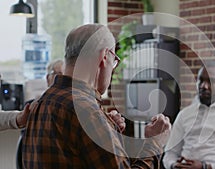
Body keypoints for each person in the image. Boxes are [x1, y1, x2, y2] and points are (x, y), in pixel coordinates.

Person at [22, 24, 171, 168]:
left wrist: (108, 130)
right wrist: (154, 143)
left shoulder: (41, 102)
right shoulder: (86, 111)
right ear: (104, 57)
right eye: (114, 62)